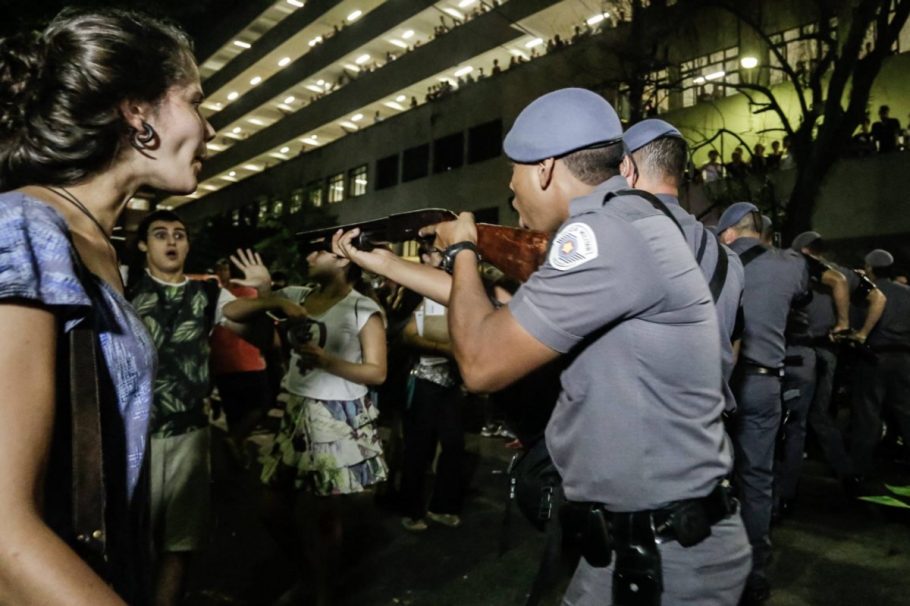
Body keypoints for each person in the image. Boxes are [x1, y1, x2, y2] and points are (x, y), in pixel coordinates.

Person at [339, 88, 750, 605]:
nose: (514, 200)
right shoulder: (625, 225)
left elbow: (483, 362)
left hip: (661, 556)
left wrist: (463, 250)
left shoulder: (600, 237)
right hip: (650, 543)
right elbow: (502, 315)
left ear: (546, 169)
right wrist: (386, 265)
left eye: (514, 185)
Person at [0, 8, 213, 604]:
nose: (209, 128)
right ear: (138, 113)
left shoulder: (92, 244)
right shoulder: (25, 229)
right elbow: (2, 530)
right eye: (195, 101)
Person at [130, 211, 272, 606]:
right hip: (132, 434)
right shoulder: (123, 285)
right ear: (144, 245)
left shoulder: (208, 292)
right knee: (132, 540)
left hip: (189, 433)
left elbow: (249, 328)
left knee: (180, 540)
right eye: (160, 234)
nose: (171, 241)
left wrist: (262, 293)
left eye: (179, 234)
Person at [233, 247, 388, 605]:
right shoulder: (300, 296)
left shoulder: (362, 307)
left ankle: (322, 592)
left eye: (319, 251)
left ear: (344, 260)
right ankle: (307, 572)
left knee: (324, 516)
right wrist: (266, 293)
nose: (308, 256)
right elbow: (232, 312)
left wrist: (326, 360)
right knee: (271, 508)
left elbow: (377, 372)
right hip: (298, 410)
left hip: (337, 414)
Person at [716, 203, 848, 605]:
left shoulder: (711, 260)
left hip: (719, 383)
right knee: (758, 477)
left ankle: (713, 568)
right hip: (765, 384)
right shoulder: (790, 264)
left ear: (728, 235)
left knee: (709, 477)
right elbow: (832, 282)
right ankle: (754, 571)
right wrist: (842, 323)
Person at [620, 118, 745, 413]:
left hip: (640, 430)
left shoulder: (618, 237)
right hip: (709, 429)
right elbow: (733, 344)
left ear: (626, 167)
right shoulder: (730, 258)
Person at [787, 232, 885, 490]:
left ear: (804, 253)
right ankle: (846, 472)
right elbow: (878, 298)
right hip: (829, 353)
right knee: (818, 414)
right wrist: (861, 332)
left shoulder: (803, 270)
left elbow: (837, 283)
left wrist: (844, 322)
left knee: (795, 417)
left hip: (801, 351)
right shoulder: (848, 273)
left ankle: (786, 486)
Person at [399, 248, 465, 531]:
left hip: (451, 383)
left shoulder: (461, 291)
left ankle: (442, 506)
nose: (434, 259)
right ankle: (411, 510)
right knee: (418, 447)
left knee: (453, 444)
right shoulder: (419, 292)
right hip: (425, 379)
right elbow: (407, 335)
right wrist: (445, 349)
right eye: (430, 254)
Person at [848, 249, 910, 484]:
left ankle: (860, 470)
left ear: (871, 269)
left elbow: (855, 324)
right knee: (906, 413)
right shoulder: (907, 293)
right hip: (904, 359)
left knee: (867, 414)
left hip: (873, 357)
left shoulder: (867, 294)